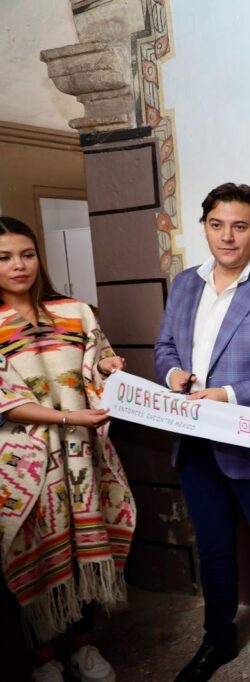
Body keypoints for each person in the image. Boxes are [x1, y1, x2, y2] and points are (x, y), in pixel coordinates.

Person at [154, 183, 250, 682]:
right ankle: (216, 639)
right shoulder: (184, 284)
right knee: (214, 549)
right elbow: (164, 347)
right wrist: (172, 374)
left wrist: (228, 395)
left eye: (239, 226)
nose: (227, 236)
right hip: (194, 443)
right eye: (217, 225)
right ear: (204, 227)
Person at [0, 215, 133, 682]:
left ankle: (84, 646)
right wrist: (66, 418)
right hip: (22, 466)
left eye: (27, 254)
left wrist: (109, 367)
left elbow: (98, 363)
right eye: (4, 257)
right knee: (35, 552)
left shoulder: (75, 311)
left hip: (82, 456)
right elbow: (4, 400)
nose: (19, 265)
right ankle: (44, 658)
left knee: (84, 548)